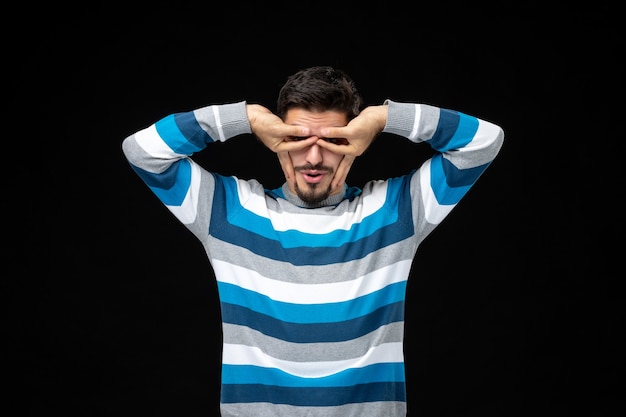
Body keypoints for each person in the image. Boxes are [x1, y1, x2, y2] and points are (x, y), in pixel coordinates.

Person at [122, 65, 504, 417]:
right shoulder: (228, 211)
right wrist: (247, 117)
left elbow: (484, 142)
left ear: (355, 140)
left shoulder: (394, 211)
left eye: (333, 140)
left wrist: (382, 117)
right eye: (297, 139)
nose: (314, 157)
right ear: (275, 140)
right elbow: (143, 152)